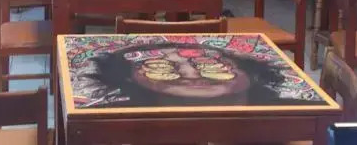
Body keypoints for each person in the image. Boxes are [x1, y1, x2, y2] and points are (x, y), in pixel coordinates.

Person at [84, 42, 315, 107]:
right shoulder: (112, 123)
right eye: (160, 67)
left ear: (248, 70)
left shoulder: (296, 111)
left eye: (210, 64)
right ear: (129, 77)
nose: (191, 73)